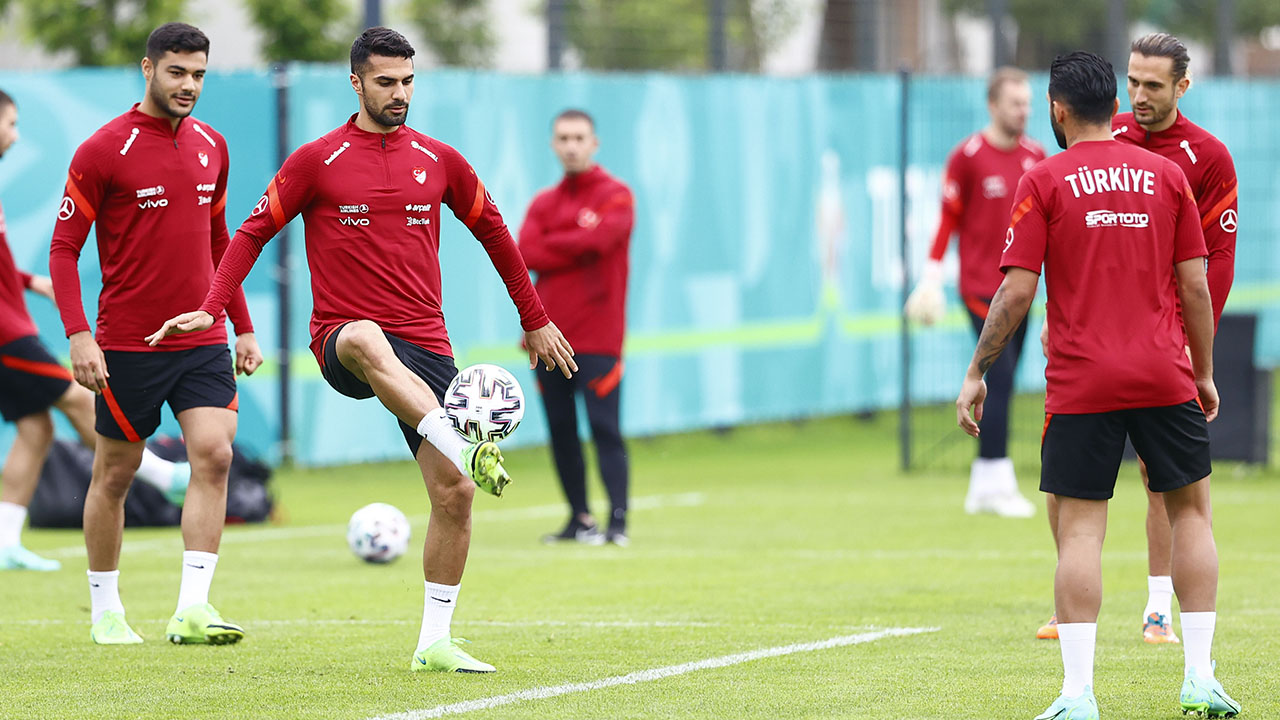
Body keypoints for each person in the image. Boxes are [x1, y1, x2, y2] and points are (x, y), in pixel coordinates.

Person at [147, 27, 576, 674]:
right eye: (385, 82)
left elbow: (493, 230)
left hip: (425, 342)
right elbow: (252, 232)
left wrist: (535, 318)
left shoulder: (440, 159)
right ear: (356, 83)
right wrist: (213, 308)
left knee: (456, 493)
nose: (399, 93)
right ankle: (462, 443)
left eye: (407, 82)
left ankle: (434, 642)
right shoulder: (316, 160)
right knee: (367, 336)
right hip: (342, 340)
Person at [957, 51, 1239, 719]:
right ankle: (1200, 677)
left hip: (1082, 380)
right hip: (1163, 372)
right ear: (1115, 104)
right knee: (1191, 515)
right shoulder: (1168, 176)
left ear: (1056, 109)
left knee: (1082, 533)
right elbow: (1196, 286)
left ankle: (1078, 694)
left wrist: (977, 371)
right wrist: (1201, 370)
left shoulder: (1043, 178)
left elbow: (1015, 292)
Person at [49, 23, 262, 645]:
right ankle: (105, 611)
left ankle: (192, 608)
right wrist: (79, 335)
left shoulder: (213, 145)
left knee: (215, 455)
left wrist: (243, 326)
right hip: (127, 345)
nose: (189, 84)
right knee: (116, 473)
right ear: (148, 69)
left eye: (198, 74)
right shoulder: (101, 150)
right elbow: (64, 250)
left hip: (202, 339)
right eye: (177, 72)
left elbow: (222, 243)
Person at [1037, 33, 1239, 645]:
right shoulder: (1107, 136)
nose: (1139, 95)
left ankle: (1157, 609)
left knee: (1166, 485)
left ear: (1183, 86)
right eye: (1132, 82)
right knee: (1064, 481)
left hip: (1165, 342)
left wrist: (1193, 346)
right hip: (1093, 338)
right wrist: (1057, 314)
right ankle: (1070, 604)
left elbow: (1213, 266)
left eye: (1153, 85)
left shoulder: (1207, 158)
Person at [0, 89, 193, 573]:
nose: (15, 136)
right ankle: (162, 476)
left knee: (36, 428)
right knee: (77, 393)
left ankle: (4, 541)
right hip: (6, 332)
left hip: (12, 321)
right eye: (10, 124)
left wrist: (26, 281)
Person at [905, 68, 1045, 518]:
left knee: (1005, 382)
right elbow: (948, 218)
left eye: (1027, 103)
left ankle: (985, 484)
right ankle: (996, 482)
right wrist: (930, 276)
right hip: (982, 289)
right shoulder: (967, 157)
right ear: (993, 105)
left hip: (1023, 291)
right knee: (998, 380)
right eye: (1015, 103)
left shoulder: (1036, 157)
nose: (1023, 111)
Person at [518, 109, 634, 546]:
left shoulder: (616, 195)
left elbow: (601, 240)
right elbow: (526, 251)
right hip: (548, 337)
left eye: (579, 138)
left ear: (594, 143)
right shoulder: (543, 202)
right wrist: (577, 243)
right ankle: (579, 518)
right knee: (562, 430)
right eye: (563, 138)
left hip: (599, 336)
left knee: (605, 428)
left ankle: (617, 523)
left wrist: (557, 242)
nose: (571, 146)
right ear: (553, 144)